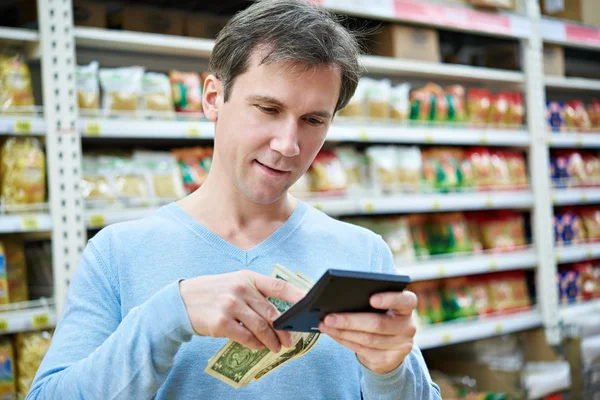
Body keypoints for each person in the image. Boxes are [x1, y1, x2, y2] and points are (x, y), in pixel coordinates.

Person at [28, 0, 441, 398]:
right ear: (212, 98)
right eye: (267, 108)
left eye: (313, 120)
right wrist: (171, 314)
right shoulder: (116, 255)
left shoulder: (362, 253)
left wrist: (389, 371)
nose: (288, 145)